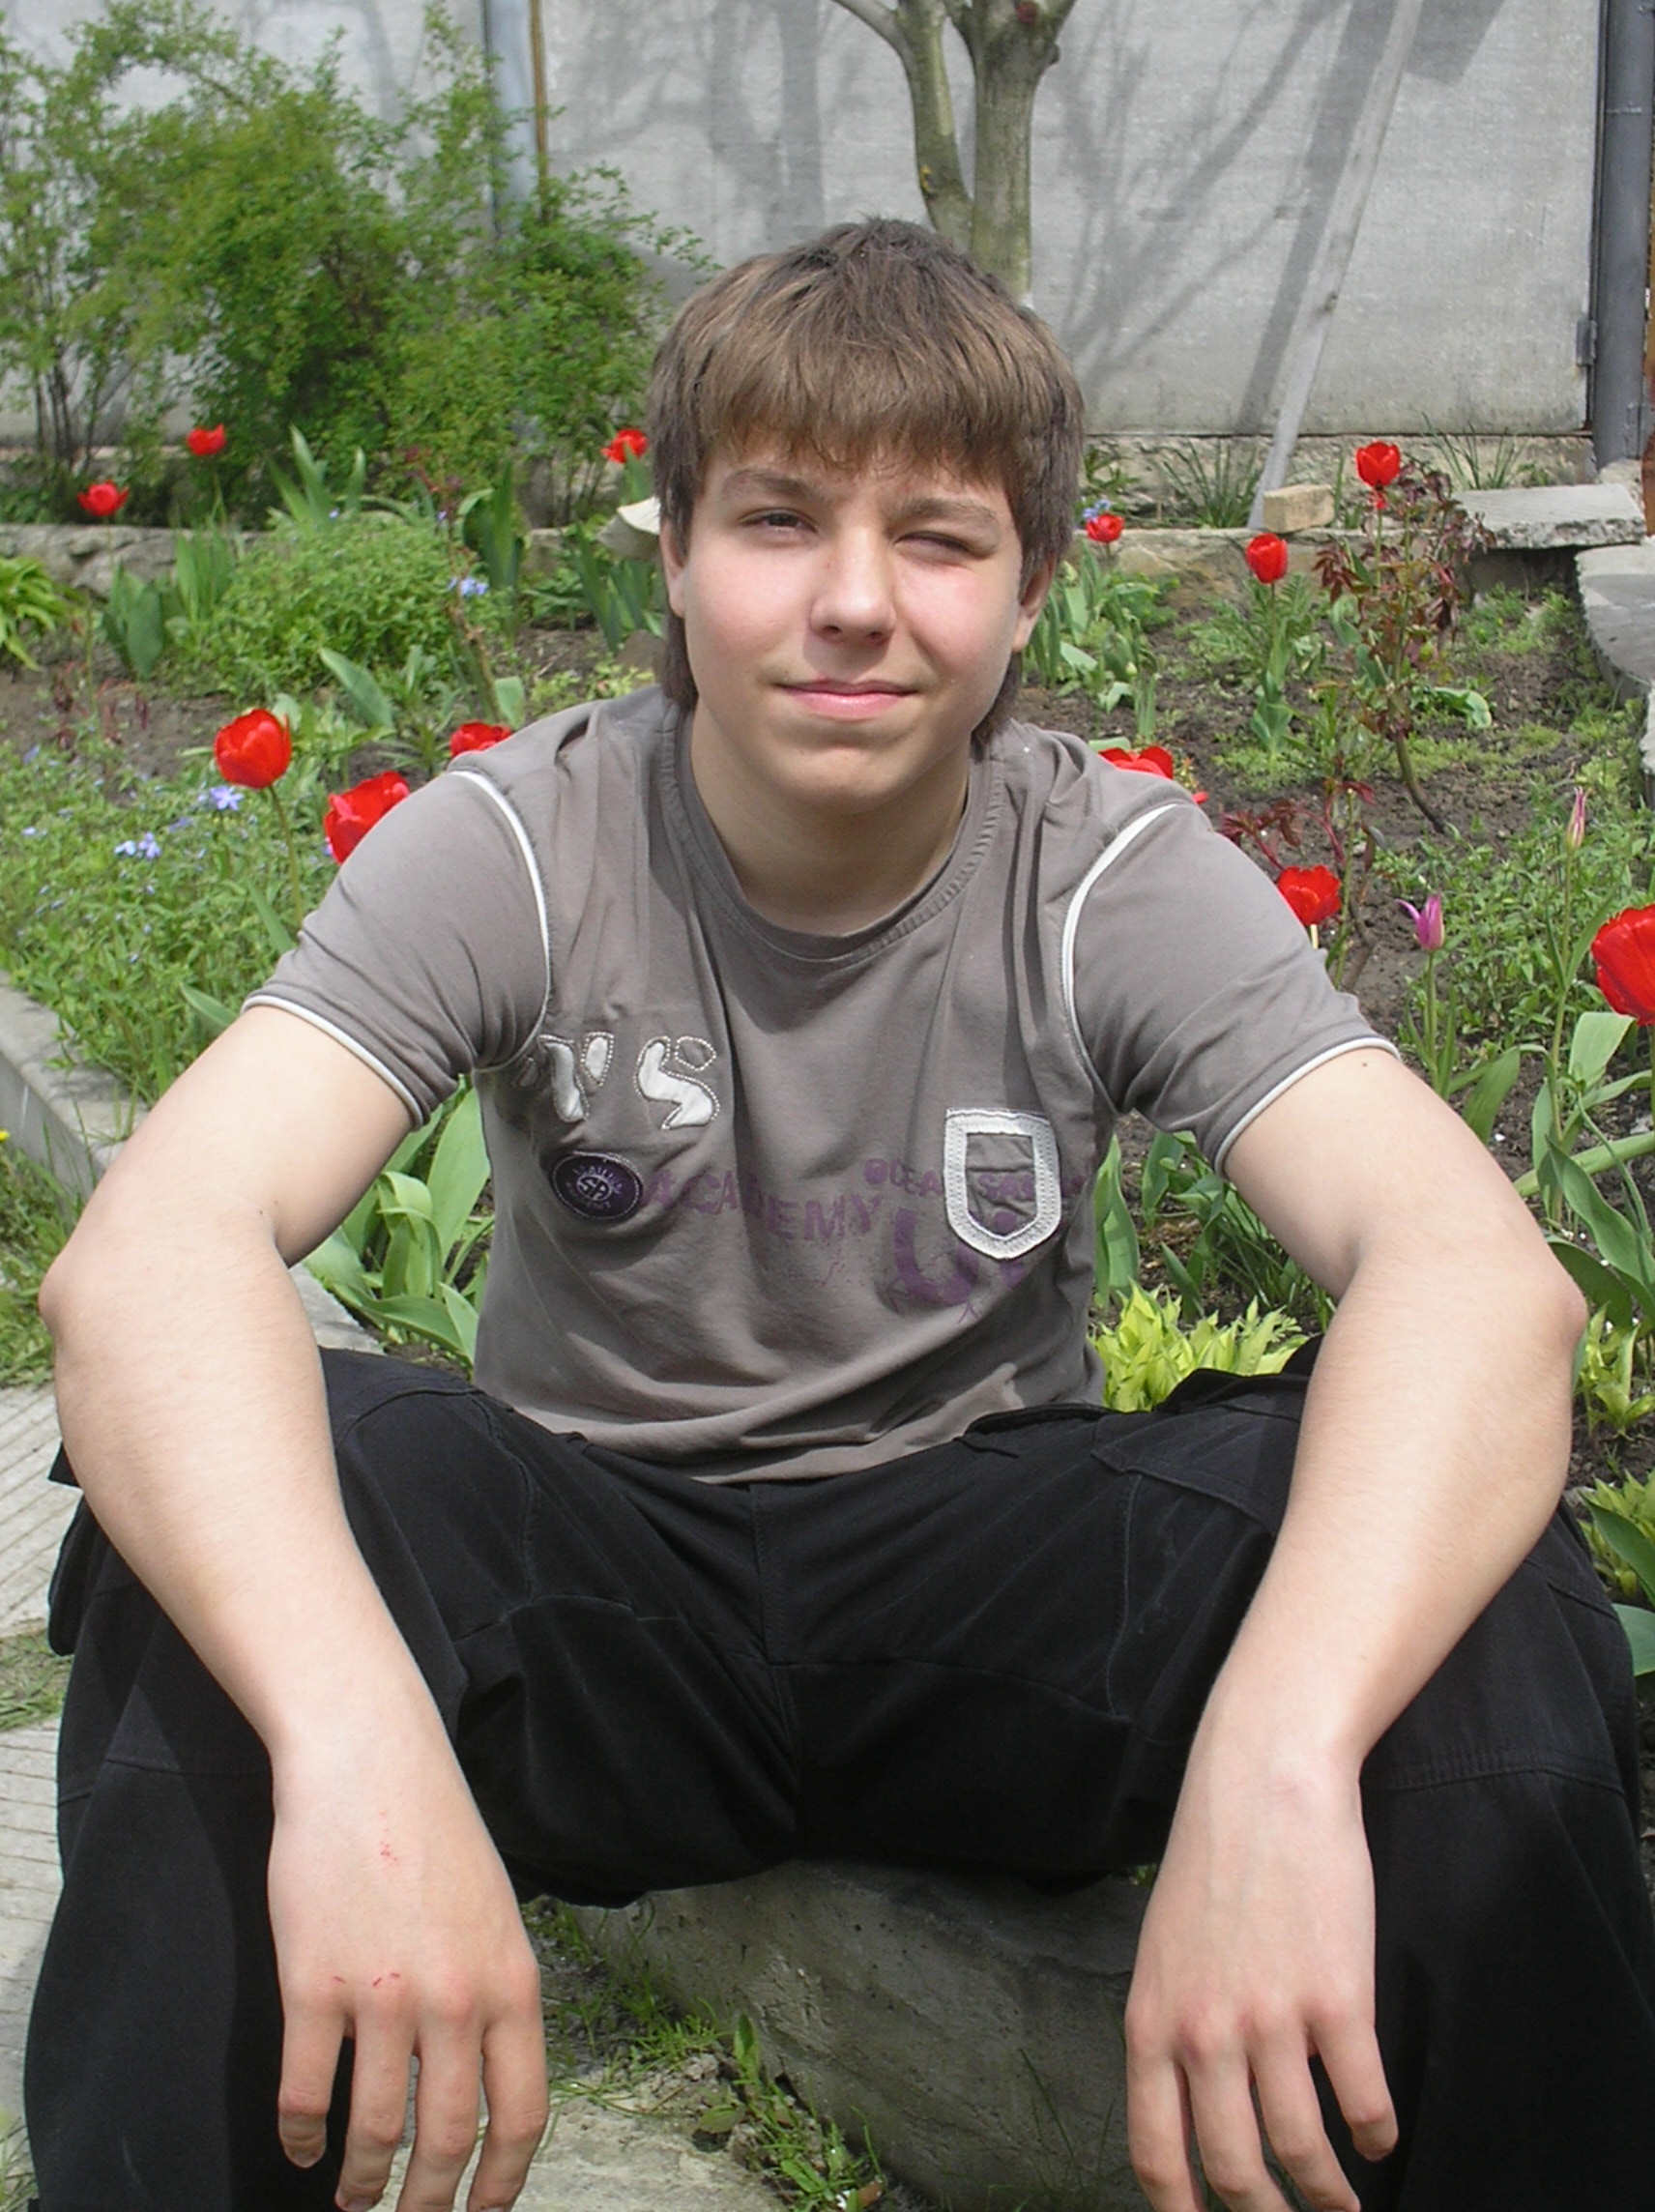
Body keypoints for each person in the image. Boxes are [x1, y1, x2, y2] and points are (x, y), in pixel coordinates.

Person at [23, 219, 1655, 2212]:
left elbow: (1475, 1280)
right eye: (781, 520)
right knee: (248, 1506)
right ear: (675, 550)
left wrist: (1283, 1755)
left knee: (1451, 1540)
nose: (855, 605)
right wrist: (352, 1731)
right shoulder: (522, 842)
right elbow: (150, 1261)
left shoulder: (1104, 870)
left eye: (940, 539)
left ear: (1032, 586)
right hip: (599, 1598)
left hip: (986, 1595)